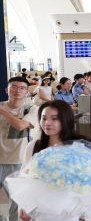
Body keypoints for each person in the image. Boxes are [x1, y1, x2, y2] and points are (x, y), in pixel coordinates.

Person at [18, 100, 91, 221]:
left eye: (54, 118)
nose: (47, 123)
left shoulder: (82, 146)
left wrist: (87, 215)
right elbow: (25, 179)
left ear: (66, 120)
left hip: (72, 214)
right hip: (42, 213)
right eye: (43, 118)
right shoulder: (33, 147)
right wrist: (24, 207)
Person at [0, 77, 38, 221]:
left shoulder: (32, 109)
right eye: (14, 87)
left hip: (18, 163)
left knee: (16, 205)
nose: (18, 90)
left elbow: (21, 126)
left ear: (27, 92)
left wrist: (2, 111)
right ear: (7, 90)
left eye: (22, 88)